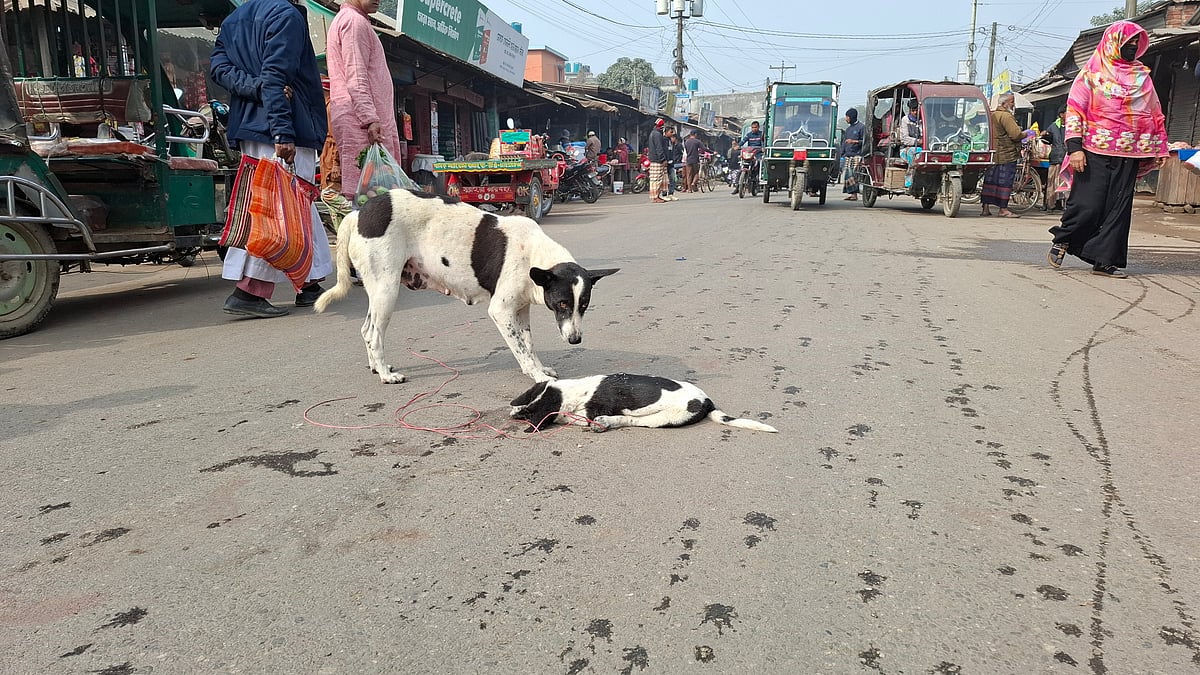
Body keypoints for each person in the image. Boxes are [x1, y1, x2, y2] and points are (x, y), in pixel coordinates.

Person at [211, 0, 332, 318]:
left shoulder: (234, 18)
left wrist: (255, 88)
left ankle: (308, 283)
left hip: (251, 124)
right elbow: (276, 76)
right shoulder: (287, 16)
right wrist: (283, 133)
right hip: (282, 126)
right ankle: (250, 291)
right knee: (277, 209)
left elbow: (220, 69)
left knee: (294, 203)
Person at [1048, 20, 1167, 278]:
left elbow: (1154, 113)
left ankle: (1104, 261)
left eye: (1136, 43)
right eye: (1128, 43)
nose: (1133, 47)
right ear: (1113, 43)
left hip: (1129, 152)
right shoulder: (1091, 75)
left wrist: (1160, 146)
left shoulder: (1142, 77)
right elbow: (1075, 112)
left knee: (1118, 208)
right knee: (1088, 205)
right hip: (1093, 151)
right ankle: (1064, 238)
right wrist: (1075, 148)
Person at [327, 0, 403, 200]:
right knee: (373, 195)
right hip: (362, 122)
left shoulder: (353, 20)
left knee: (372, 193)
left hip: (360, 118)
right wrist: (370, 119)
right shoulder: (354, 22)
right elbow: (356, 75)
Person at [980, 92, 1025, 218]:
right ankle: (1003, 209)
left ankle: (985, 208)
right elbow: (1015, 134)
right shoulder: (1006, 116)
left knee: (989, 181)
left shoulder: (992, 115)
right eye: (1012, 102)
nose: (1013, 104)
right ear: (1004, 104)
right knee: (1005, 181)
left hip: (993, 154)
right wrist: (1026, 134)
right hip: (1006, 154)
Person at [1041, 106, 1067, 211]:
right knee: (1052, 183)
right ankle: (1051, 204)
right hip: (1056, 157)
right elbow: (1048, 140)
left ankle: (1064, 204)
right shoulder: (1053, 126)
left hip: (1067, 157)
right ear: (1061, 115)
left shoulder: (1073, 126)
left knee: (1065, 183)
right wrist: (1045, 135)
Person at [732, 121, 764, 194]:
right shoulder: (749, 135)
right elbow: (743, 141)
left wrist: (763, 148)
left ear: (758, 127)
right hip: (749, 153)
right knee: (741, 168)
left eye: (755, 127)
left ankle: (757, 181)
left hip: (758, 154)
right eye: (752, 127)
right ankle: (737, 187)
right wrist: (738, 146)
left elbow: (763, 143)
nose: (754, 129)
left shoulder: (761, 134)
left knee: (759, 163)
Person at [841, 108, 866, 201]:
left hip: (857, 155)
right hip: (848, 156)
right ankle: (852, 194)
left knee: (854, 175)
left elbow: (865, 141)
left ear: (851, 117)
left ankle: (855, 194)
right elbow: (844, 143)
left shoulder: (861, 127)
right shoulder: (848, 129)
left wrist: (854, 141)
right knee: (848, 175)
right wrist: (842, 154)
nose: (846, 119)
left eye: (847, 117)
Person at [647, 119, 669, 204]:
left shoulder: (654, 133)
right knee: (656, 179)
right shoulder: (657, 135)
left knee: (658, 178)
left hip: (655, 159)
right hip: (657, 160)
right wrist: (663, 159)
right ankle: (655, 197)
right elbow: (659, 148)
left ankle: (657, 196)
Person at [665, 128, 683, 200]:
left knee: (673, 179)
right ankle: (664, 194)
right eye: (671, 132)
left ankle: (671, 194)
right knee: (665, 180)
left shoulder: (675, 145)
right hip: (666, 163)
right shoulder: (664, 141)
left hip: (673, 163)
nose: (672, 134)